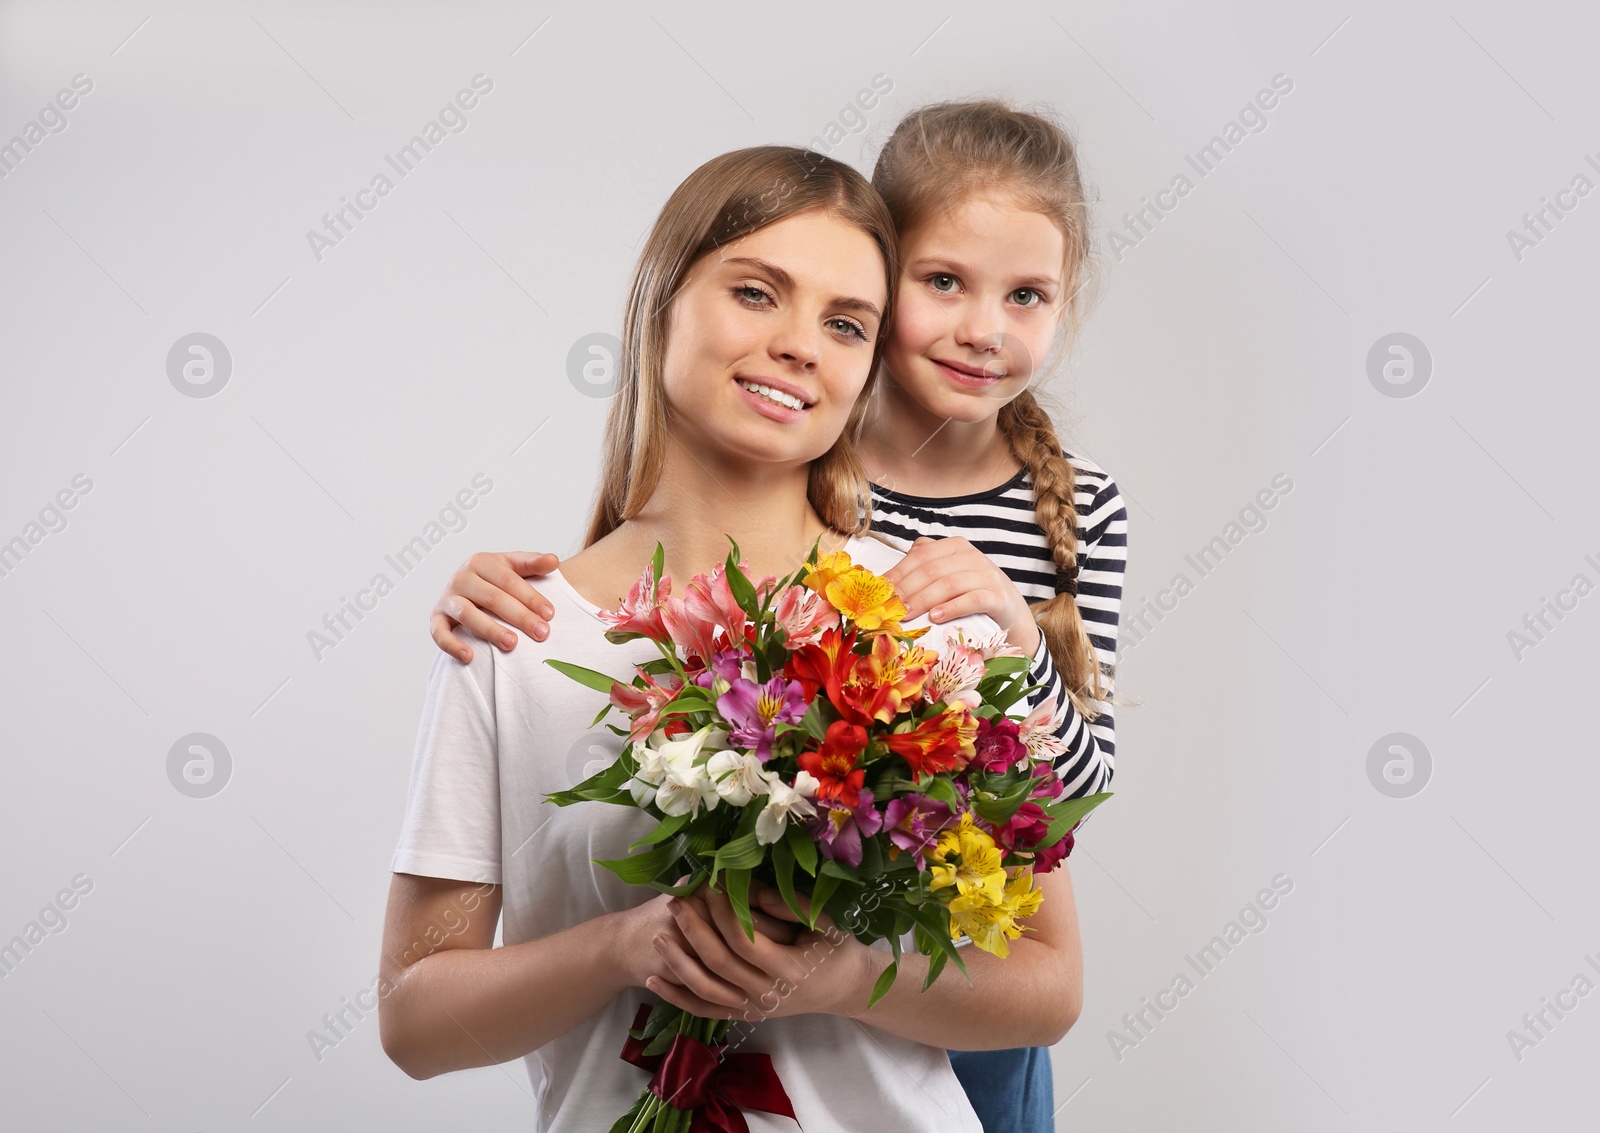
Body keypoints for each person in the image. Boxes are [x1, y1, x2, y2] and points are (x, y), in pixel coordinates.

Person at [426, 100, 1128, 1132]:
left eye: (844, 319)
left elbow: (1044, 961)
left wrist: (1011, 646)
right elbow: (417, 1012)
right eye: (756, 293)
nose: (800, 345)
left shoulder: (934, 607)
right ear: (659, 301)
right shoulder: (517, 635)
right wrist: (627, 945)